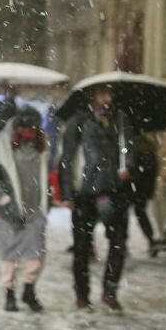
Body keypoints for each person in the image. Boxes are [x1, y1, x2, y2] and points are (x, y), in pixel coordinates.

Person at [59, 85, 135, 314]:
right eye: (102, 94)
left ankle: (110, 291)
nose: (107, 98)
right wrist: (68, 192)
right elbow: (67, 158)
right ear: (92, 97)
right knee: (82, 246)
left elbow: (128, 146)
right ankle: (82, 295)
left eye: (109, 94)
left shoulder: (120, 120)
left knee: (119, 243)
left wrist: (128, 164)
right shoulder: (78, 121)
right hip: (85, 193)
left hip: (114, 190)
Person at [0, 106, 49, 312]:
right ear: (18, 128)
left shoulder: (41, 147)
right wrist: (4, 197)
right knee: (9, 254)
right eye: (27, 128)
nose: (31, 133)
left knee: (36, 254)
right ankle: (9, 293)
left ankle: (29, 289)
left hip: (34, 209)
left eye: (34, 129)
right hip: (9, 210)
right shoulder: (1, 148)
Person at [128, 134, 158, 256]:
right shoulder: (148, 153)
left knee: (129, 215)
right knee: (140, 214)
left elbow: (144, 174)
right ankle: (151, 240)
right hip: (140, 190)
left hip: (135, 189)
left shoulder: (140, 154)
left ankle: (150, 240)